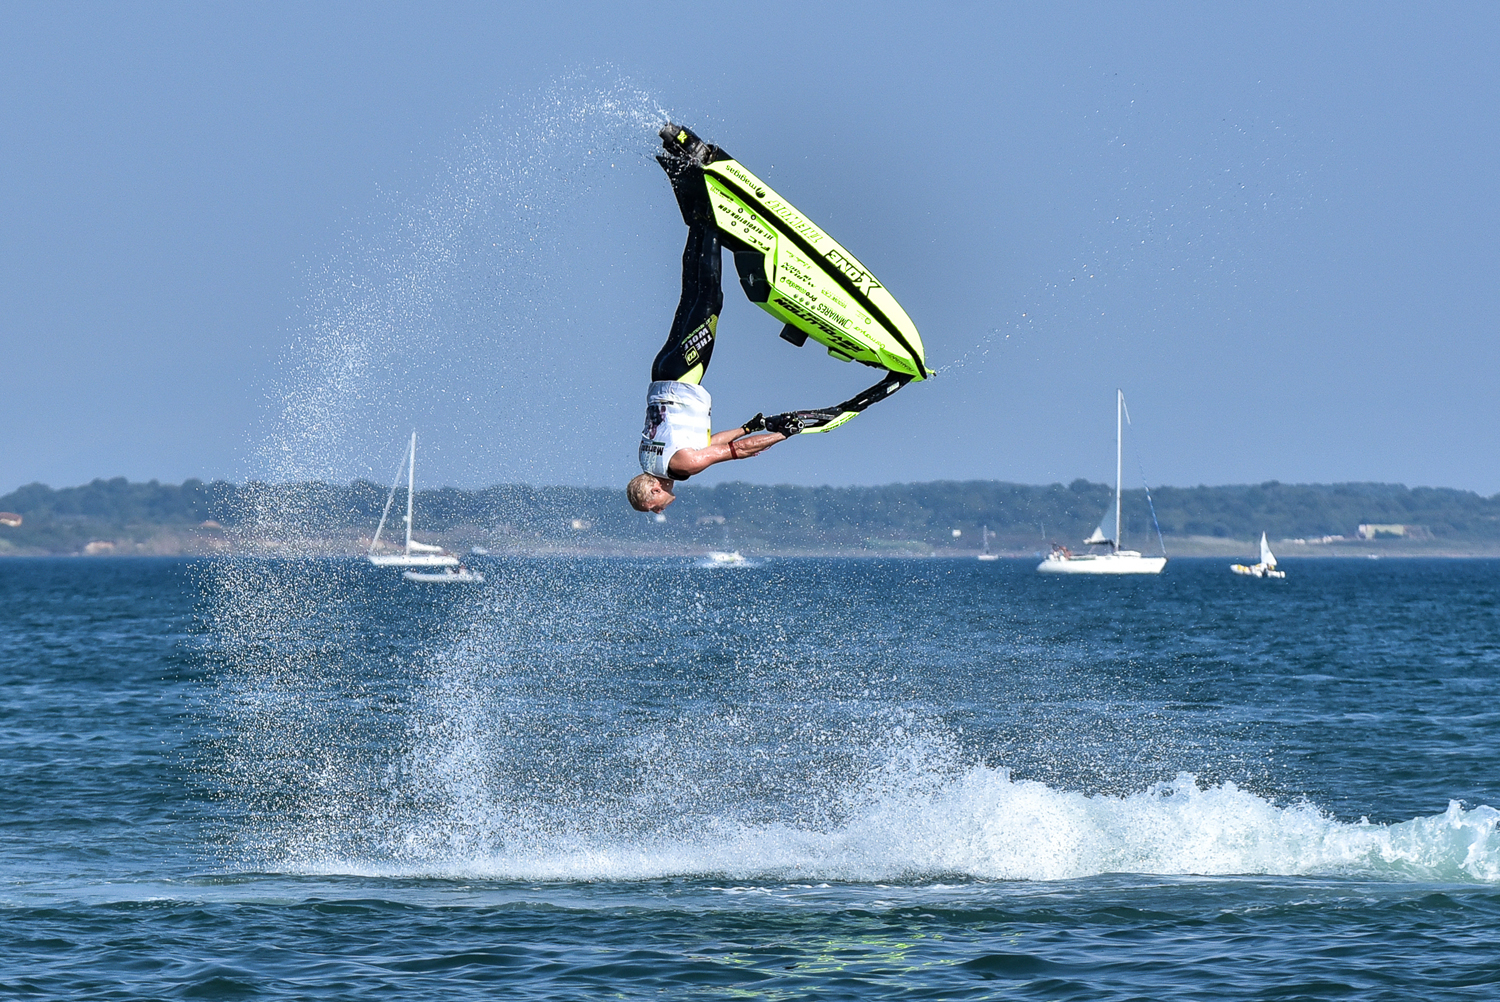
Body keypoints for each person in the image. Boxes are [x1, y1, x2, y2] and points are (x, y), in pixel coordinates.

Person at [626, 124, 795, 514]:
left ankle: (714, 214)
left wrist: (781, 435)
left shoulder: (681, 469)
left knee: (710, 298)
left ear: (652, 492)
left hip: (686, 373)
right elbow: (711, 443)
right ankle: (686, 182)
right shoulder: (648, 461)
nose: (663, 507)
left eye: (657, 506)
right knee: (691, 295)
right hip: (663, 371)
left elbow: (732, 453)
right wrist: (750, 426)